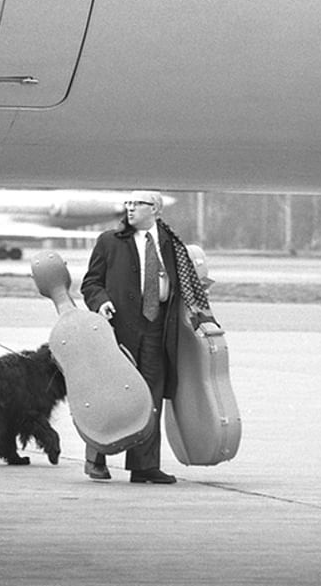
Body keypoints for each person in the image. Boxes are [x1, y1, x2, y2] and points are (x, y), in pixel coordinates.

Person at [80, 191, 218, 483]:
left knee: (152, 395)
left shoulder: (172, 245)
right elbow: (91, 283)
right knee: (112, 394)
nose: (129, 208)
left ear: (155, 209)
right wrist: (100, 300)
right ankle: (96, 460)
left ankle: (144, 466)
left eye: (137, 204)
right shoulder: (109, 241)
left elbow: (186, 286)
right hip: (119, 328)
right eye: (127, 203)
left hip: (157, 328)